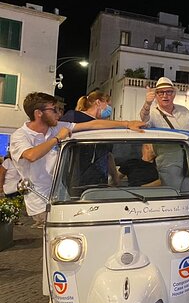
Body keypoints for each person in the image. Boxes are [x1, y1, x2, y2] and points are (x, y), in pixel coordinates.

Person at [10, 92, 145, 227]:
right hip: (40, 199)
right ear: (38, 113)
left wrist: (127, 124)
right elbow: (31, 155)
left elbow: (92, 125)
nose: (58, 114)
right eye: (54, 110)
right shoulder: (20, 136)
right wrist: (57, 139)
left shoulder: (56, 127)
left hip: (60, 194)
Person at [139, 77, 189, 190]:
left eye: (168, 92)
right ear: (156, 95)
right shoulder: (153, 112)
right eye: (161, 92)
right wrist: (147, 104)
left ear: (174, 94)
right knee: (172, 193)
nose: (165, 95)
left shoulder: (184, 111)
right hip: (168, 161)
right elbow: (144, 121)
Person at [60, 91, 119, 186]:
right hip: (76, 177)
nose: (109, 109)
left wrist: (115, 177)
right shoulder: (74, 117)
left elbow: (107, 155)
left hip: (97, 180)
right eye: (108, 105)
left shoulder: (103, 126)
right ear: (98, 102)